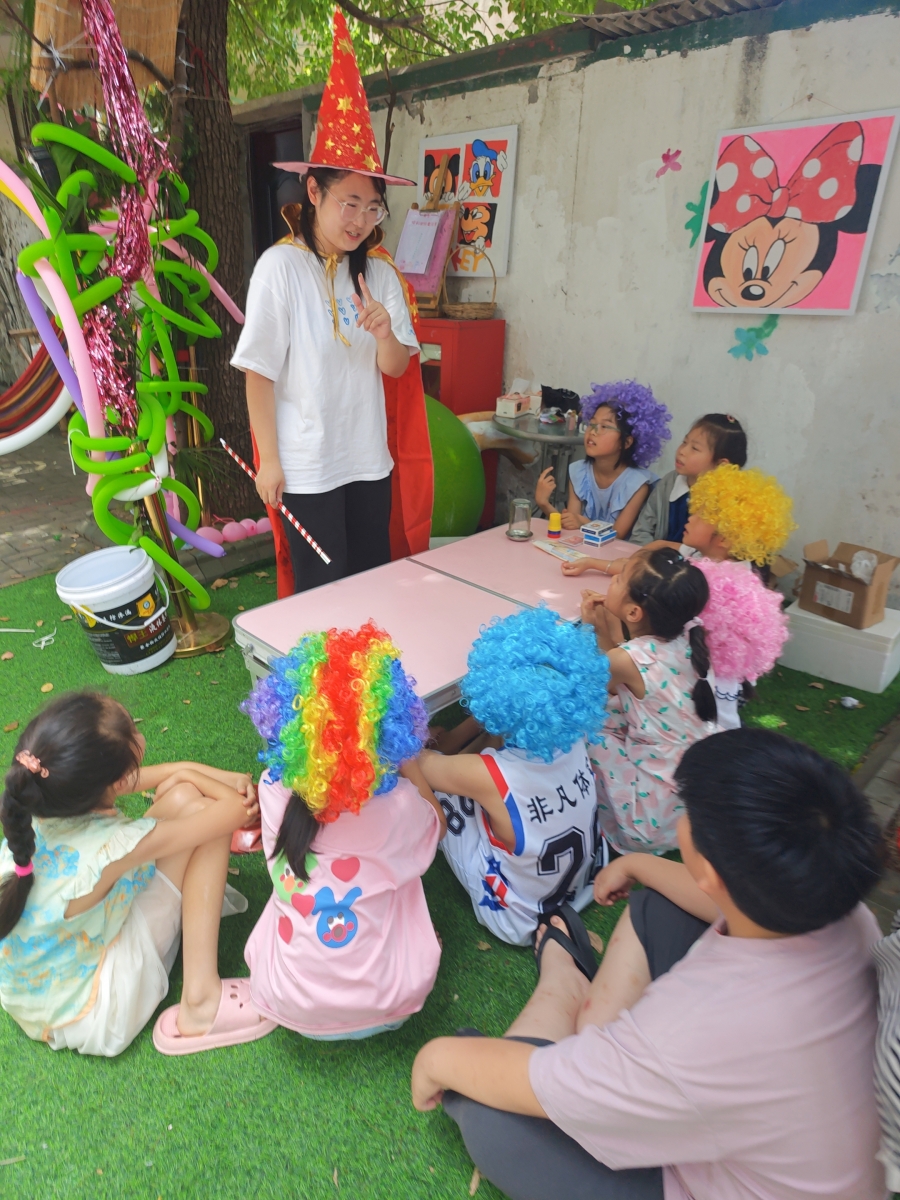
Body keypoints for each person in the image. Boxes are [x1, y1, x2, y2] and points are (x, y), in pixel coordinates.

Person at [411, 729, 885, 1200]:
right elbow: (718, 897)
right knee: (659, 905)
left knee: (492, 1115)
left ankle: (564, 984)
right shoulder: (843, 914)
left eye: (687, 810)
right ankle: (581, 1012)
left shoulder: (695, 1036)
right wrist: (638, 865)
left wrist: (436, 1059)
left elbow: (553, 1089)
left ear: (711, 868)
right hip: (768, 1132)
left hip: (702, 1175)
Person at [230, 11, 423, 595]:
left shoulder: (380, 273)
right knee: (322, 597)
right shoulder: (280, 268)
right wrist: (269, 461)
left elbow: (396, 367)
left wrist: (385, 332)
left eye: (373, 206)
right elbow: (259, 373)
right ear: (313, 191)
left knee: (368, 587)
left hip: (368, 462)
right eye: (349, 202)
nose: (361, 220)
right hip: (307, 470)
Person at [0, 692, 274, 1058]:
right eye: (134, 731)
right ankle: (201, 1001)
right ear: (116, 781)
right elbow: (235, 812)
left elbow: (147, 781)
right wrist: (192, 775)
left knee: (183, 796)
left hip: (41, 989)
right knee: (205, 818)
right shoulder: (114, 847)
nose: (140, 735)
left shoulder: (40, 801)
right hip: (93, 1009)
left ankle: (198, 982)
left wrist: (190, 775)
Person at [240, 622, 442, 1039]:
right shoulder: (399, 806)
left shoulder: (273, 790)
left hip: (288, 1001)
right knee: (403, 878)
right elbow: (435, 826)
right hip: (390, 1006)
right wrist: (408, 762)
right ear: (392, 728)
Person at [418, 606, 610, 946]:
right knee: (489, 771)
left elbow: (423, 765)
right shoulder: (575, 738)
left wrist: (412, 738)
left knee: (441, 792)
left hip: (515, 919)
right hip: (578, 890)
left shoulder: (490, 776)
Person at [566, 464, 795, 731]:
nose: (690, 516)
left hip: (696, 702)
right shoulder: (710, 562)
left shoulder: (706, 588)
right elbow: (650, 559)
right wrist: (594, 563)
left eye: (699, 514)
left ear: (723, 537)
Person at [580, 547, 717, 854]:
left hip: (652, 816)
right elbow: (619, 668)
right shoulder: (687, 636)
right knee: (614, 710)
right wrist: (601, 628)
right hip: (694, 798)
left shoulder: (629, 659)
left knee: (584, 727)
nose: (613, 578)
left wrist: (589, 627)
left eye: (620, 579)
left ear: (633, 613)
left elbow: (590, 685)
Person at [534, 381, 671, 540]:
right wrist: (544, 503)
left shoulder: (637, 484)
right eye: (592, 424)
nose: (593, 432)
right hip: (582, 548)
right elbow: (570, 525)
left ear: (627, 442)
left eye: (605, 427)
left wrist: (584, 523)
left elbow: (617, 535)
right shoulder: (579, 472)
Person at [630, 413, 747, 546]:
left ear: (721, 465)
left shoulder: (728, 502)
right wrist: (648, 554)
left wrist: (663, 547)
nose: (682, 451)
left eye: (695, 448)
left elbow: (716, 553)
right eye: (684, 442)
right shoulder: (669, 482)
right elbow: (641, 531)